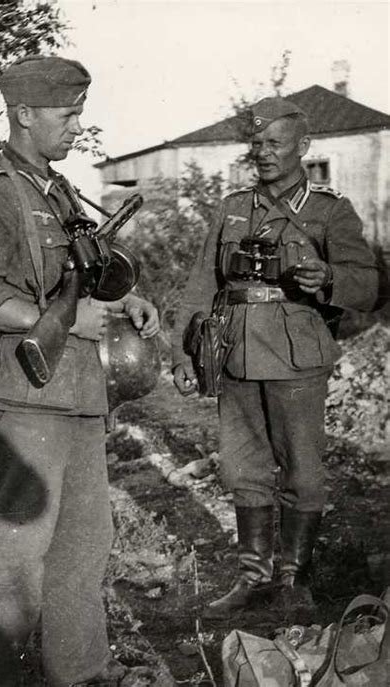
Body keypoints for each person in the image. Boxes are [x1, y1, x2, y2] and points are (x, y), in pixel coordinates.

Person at [0, 55, 159, 686]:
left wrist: (124, 303)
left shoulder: (60, 193)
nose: (76, 125)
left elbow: (82, 278)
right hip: (27, 395)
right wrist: (67, 320)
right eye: (67, 115)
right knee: (13, 559)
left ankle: (81, 671)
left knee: (83, 548)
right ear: (25, 115)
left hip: (80, 395)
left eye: (79, 113)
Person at [172, 97, 379, 619]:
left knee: (302, 471)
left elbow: (368, 282)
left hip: (295, 352)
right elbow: (203, 281)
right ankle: (252, 579)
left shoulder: (330, 209)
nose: (263, 153)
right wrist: (184, 350)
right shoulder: (232, 206)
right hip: (233, 350)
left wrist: (327, 278)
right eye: (257, 144)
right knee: (244, 467)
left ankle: (294, 580)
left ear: (303, 148)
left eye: (274, 144)